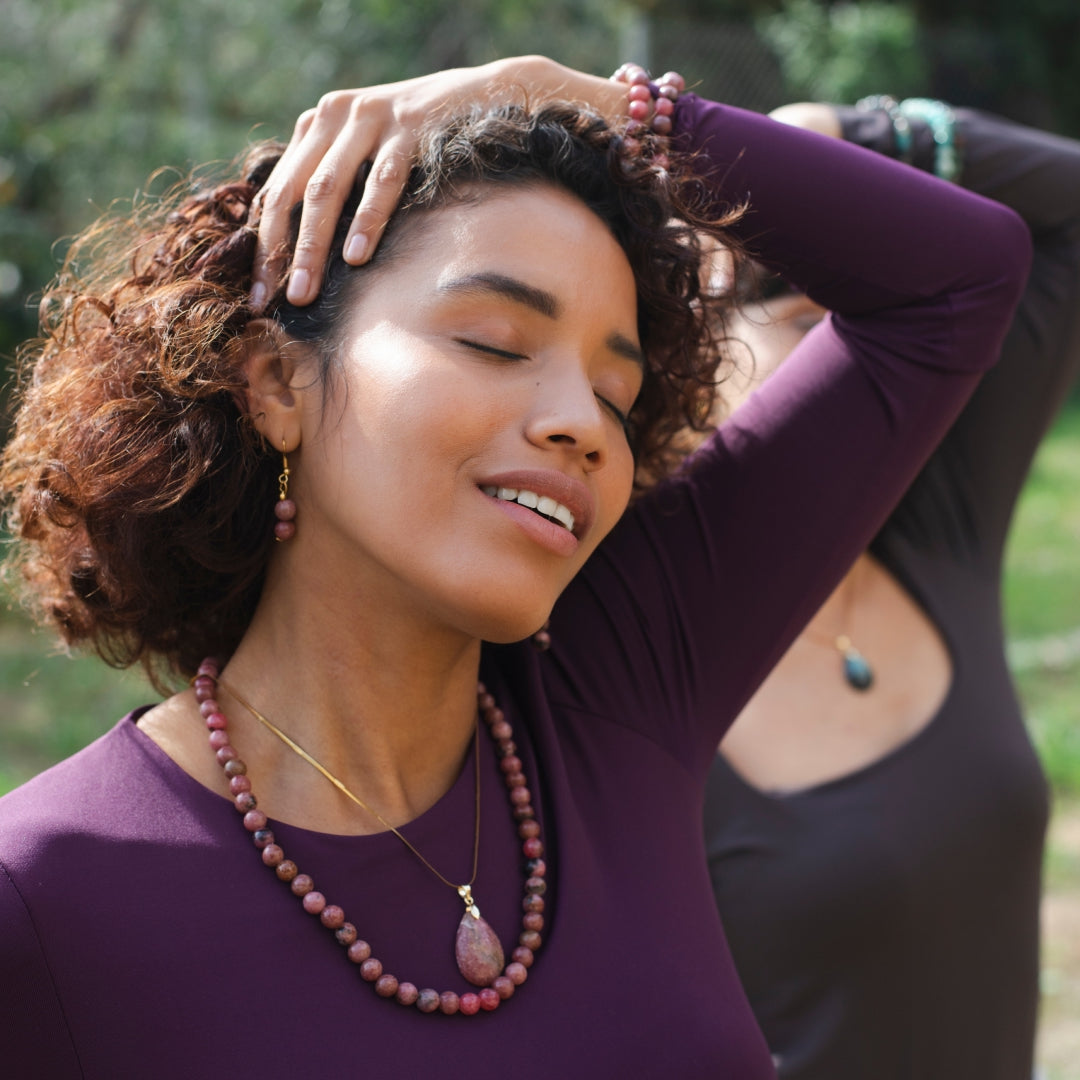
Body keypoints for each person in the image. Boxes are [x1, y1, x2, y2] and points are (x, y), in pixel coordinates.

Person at [0, 57, 1029, 1078]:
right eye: (496, 343)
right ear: (276, 382)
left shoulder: (623, 685)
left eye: (618, 395)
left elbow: (960, 275)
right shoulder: (43, 895)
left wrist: (588, 99)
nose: (582, 423)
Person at [706, 99, 1080, 1079]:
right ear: (679, 363)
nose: (883, 362)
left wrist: (851, 130)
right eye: (810, 322)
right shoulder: (610, 661)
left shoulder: (935, 525)